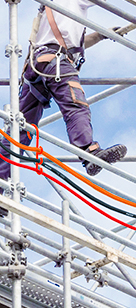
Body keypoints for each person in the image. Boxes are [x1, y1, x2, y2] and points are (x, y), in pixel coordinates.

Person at [0, 0, 127, 216]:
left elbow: (69, 40)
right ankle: (88, 152)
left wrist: (100, 35)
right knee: (75, 105)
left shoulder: (53, 5)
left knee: (18, 130)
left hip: (37, 65)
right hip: (55, 60)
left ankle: (1, 184)